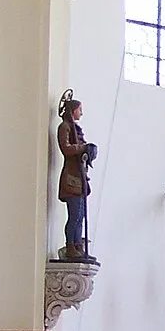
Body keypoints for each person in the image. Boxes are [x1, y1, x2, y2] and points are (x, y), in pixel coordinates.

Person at [56, 92, 96, 261]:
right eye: (80, 110)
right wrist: (82, 148)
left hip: (79, 178)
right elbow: (66, 148)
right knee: (74, 215)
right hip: (71, 178)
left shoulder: (74, 128)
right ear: (73, 110)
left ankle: (78, 245)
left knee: (81, 215)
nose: (81, 113)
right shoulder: (65, 127)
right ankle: (71, 246)